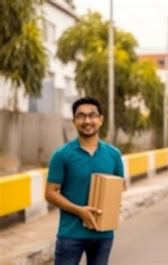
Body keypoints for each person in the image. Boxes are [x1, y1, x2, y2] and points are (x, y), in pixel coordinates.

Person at [45, 97, 124, 265]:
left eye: (92, 115)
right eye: (81, 116)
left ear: (100, 120)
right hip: (70, 234)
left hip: (103, 234)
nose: (87, 120)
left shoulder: (114, 154)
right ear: (74, 121)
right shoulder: (62, 155)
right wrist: (79, 210)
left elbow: (120, 186)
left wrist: (114, 203)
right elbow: (50, 193)